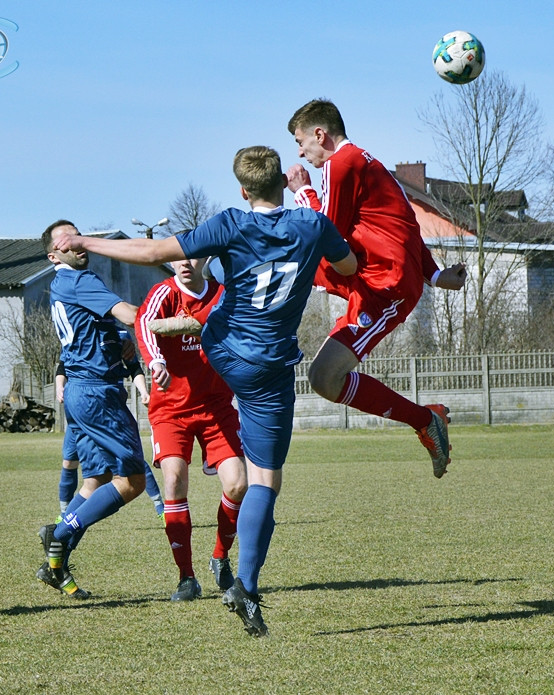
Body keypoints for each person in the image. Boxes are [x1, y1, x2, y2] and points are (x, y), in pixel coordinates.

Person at [56, 145, 356, 636]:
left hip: (223, 353)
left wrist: (86, 239)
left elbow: (153, 251)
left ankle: (189, 325)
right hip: (267, 369)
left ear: (242, 190)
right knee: (264, 483)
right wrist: (307, 194)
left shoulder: (230, 222)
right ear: (282, 181)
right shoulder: (312, 225)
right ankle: (245, 584)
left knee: (212, 315)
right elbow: (347, 268)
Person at [286, 98, 467, 478]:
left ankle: (424, 420)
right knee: (322, 378)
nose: (301, 152)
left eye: (301, 142)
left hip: (383, 287)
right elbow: (405, 223)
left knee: (296, 251)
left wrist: (302, 192)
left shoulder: (342, 164)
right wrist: (433, 275)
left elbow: (326, 232)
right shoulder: (369, 164)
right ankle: (424, 419)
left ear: (321, 134)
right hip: (377, 281)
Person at [36, 221, 152, 599]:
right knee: (133, 481)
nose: (76, 243)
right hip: (98, 394)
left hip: (80, 392)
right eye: (65, 241)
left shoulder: (60, 285)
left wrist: (115, 342)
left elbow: (95, 327)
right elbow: (133, 315)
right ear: (54, 255)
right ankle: (60, 531)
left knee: (95, 482)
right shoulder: (81, 281)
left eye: (76, 235)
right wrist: (190, 322)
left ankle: (55, 564)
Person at [136, 255, 247, 602]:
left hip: (215, 405)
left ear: (207, 259)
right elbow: (144, 325)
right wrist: (156, 362)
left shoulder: (223, 296)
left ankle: (220, 557)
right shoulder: (164, 294)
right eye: (177, 258)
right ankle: (186, 577)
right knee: (173, 479)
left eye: (193, 256)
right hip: (170, 408)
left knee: (238, 483)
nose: (185, 263)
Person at [53, 342, 165, 520]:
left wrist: (144, 391)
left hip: (108, 408)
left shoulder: (118, 336)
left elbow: (134, 367)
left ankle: (161, 509)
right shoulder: (76, 335)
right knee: (71, 463)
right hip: (82, 407)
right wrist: (60, 387)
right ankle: (63, 517)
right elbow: (62, 368)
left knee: (129, 462)